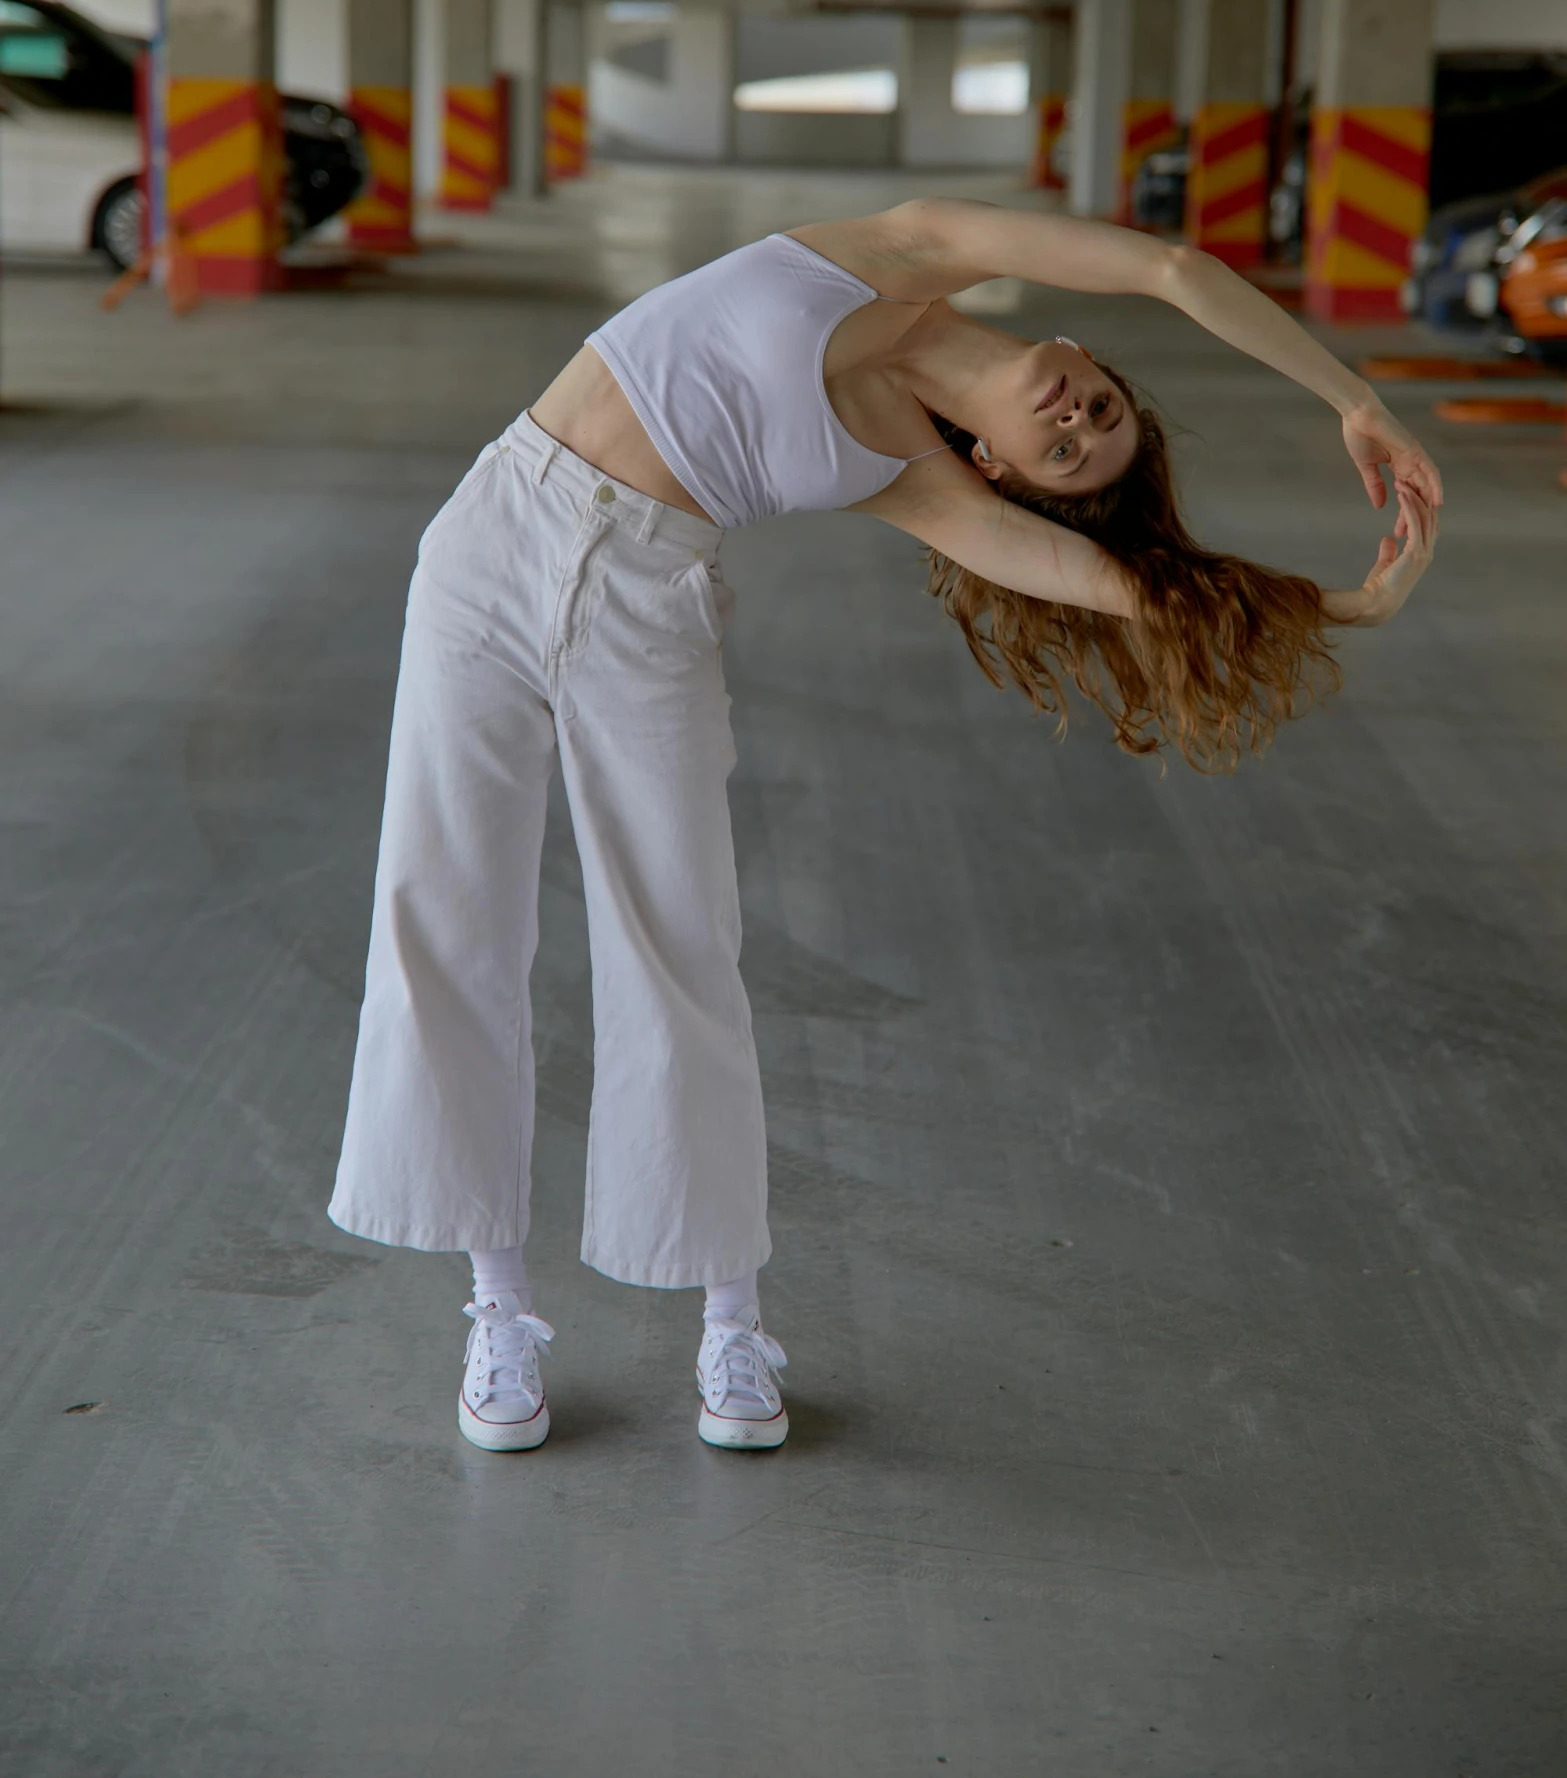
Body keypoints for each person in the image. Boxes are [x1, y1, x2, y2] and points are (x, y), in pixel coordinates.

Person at [328, 199, 1440, 1454]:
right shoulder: (904, 249)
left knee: (681, 951)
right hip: (487, 543)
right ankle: (498, 1312)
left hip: (647, 603)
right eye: (1101, 410)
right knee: (444, 915)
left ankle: (730, 1326)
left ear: (1007, 476)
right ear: (1085, 356)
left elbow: (1116, 584)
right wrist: (1357, 398)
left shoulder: (918, 483)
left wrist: (1339, 606)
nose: (1079, 421)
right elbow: (1172, 265)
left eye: (1074, 455)